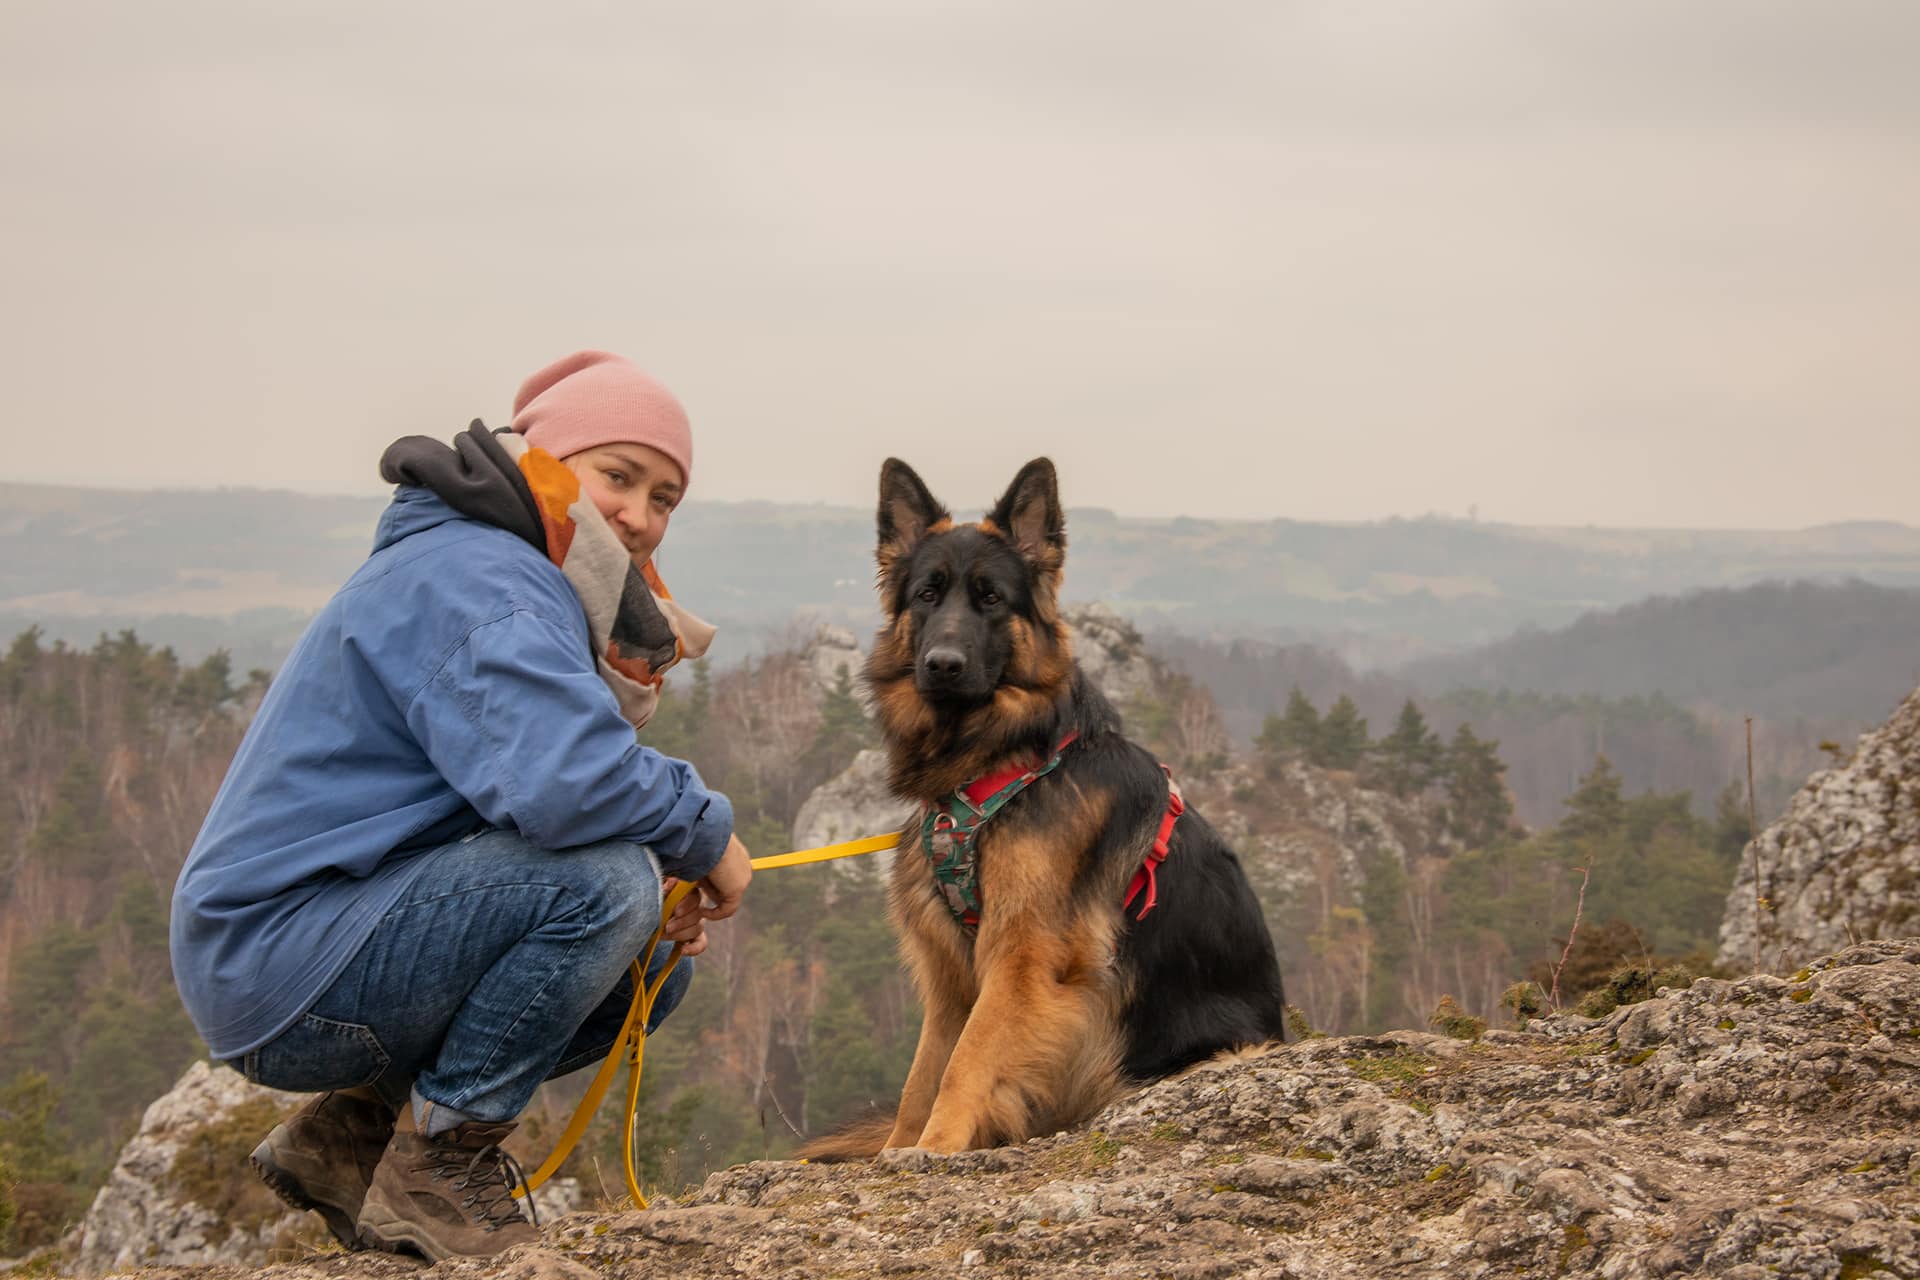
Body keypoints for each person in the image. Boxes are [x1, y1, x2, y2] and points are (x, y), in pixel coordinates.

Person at [169, 351, 752, 1261]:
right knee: (605, 888)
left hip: (319, 935)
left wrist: (666, 858)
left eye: (665, 497)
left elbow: (531, 788)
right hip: (277, 955)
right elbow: (568, 785)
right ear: (546, 463)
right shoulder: (484, 580)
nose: (641, 517)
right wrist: (703, 833)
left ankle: (349, 1138)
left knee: (645, 963)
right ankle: (438, 1169)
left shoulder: (505, 569)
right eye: (619, 477)